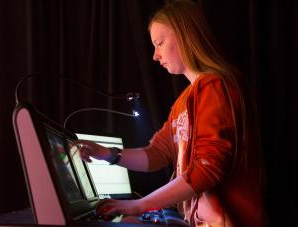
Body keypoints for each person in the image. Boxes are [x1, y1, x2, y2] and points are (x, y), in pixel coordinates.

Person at [76, 0, 266, 226]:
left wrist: (138, 205)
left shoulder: (215, 87)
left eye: (159, 43)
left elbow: (207, 170)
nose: (155, 55)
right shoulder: (183, 101)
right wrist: (108, 154)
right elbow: (157, 153)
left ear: (185, 37)